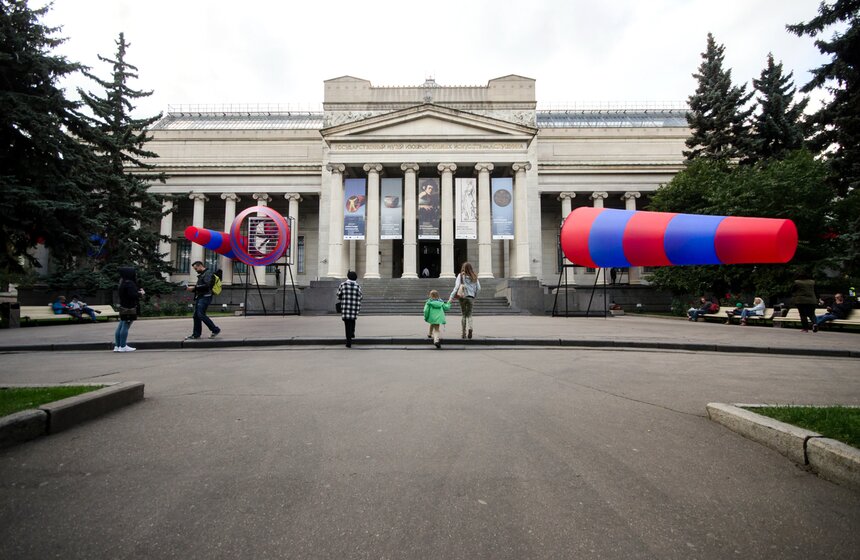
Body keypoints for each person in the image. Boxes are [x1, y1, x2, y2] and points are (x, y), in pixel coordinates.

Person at [185, 261, 221, 339]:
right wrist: (192, 289)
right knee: (196, 316)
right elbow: (201, 287)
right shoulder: (203, 274)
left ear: (200, 266)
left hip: (205, 296)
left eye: (196, 268)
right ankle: (196, 334)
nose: (196, 270)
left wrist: (194, 288)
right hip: (201, 296)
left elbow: (207, 286)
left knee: (200, 314)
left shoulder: (207, 273)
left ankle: (215, 329)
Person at [448, 261, 481, 338]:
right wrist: (475, 296)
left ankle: (463, 333)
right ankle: (470, 328)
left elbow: (456, 287)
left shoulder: (460, 276)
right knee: (469, 314)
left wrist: (451, 298)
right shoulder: (474, 276)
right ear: (470, 268)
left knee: (463, 315)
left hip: (462, 297)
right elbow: (479, 288)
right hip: (471, 297)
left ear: (463, 268)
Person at [115, 267, 144, 352]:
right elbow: (132, 295)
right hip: (130, 307)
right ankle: (123, 346)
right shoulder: (130, 283)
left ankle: (118, 345)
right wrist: (141, 294)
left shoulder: (122, 283)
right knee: (126, 326)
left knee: (120, 326)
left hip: (123, 307)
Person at [337, 270, 362, 348]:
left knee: (347, 324)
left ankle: (348, 342)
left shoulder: (343, 285)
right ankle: (352, 332)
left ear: (348, 277)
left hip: (345, 307)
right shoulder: (357, 286)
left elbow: (338, 295)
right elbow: (361, 297)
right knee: (353, 320)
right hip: (354, 307)